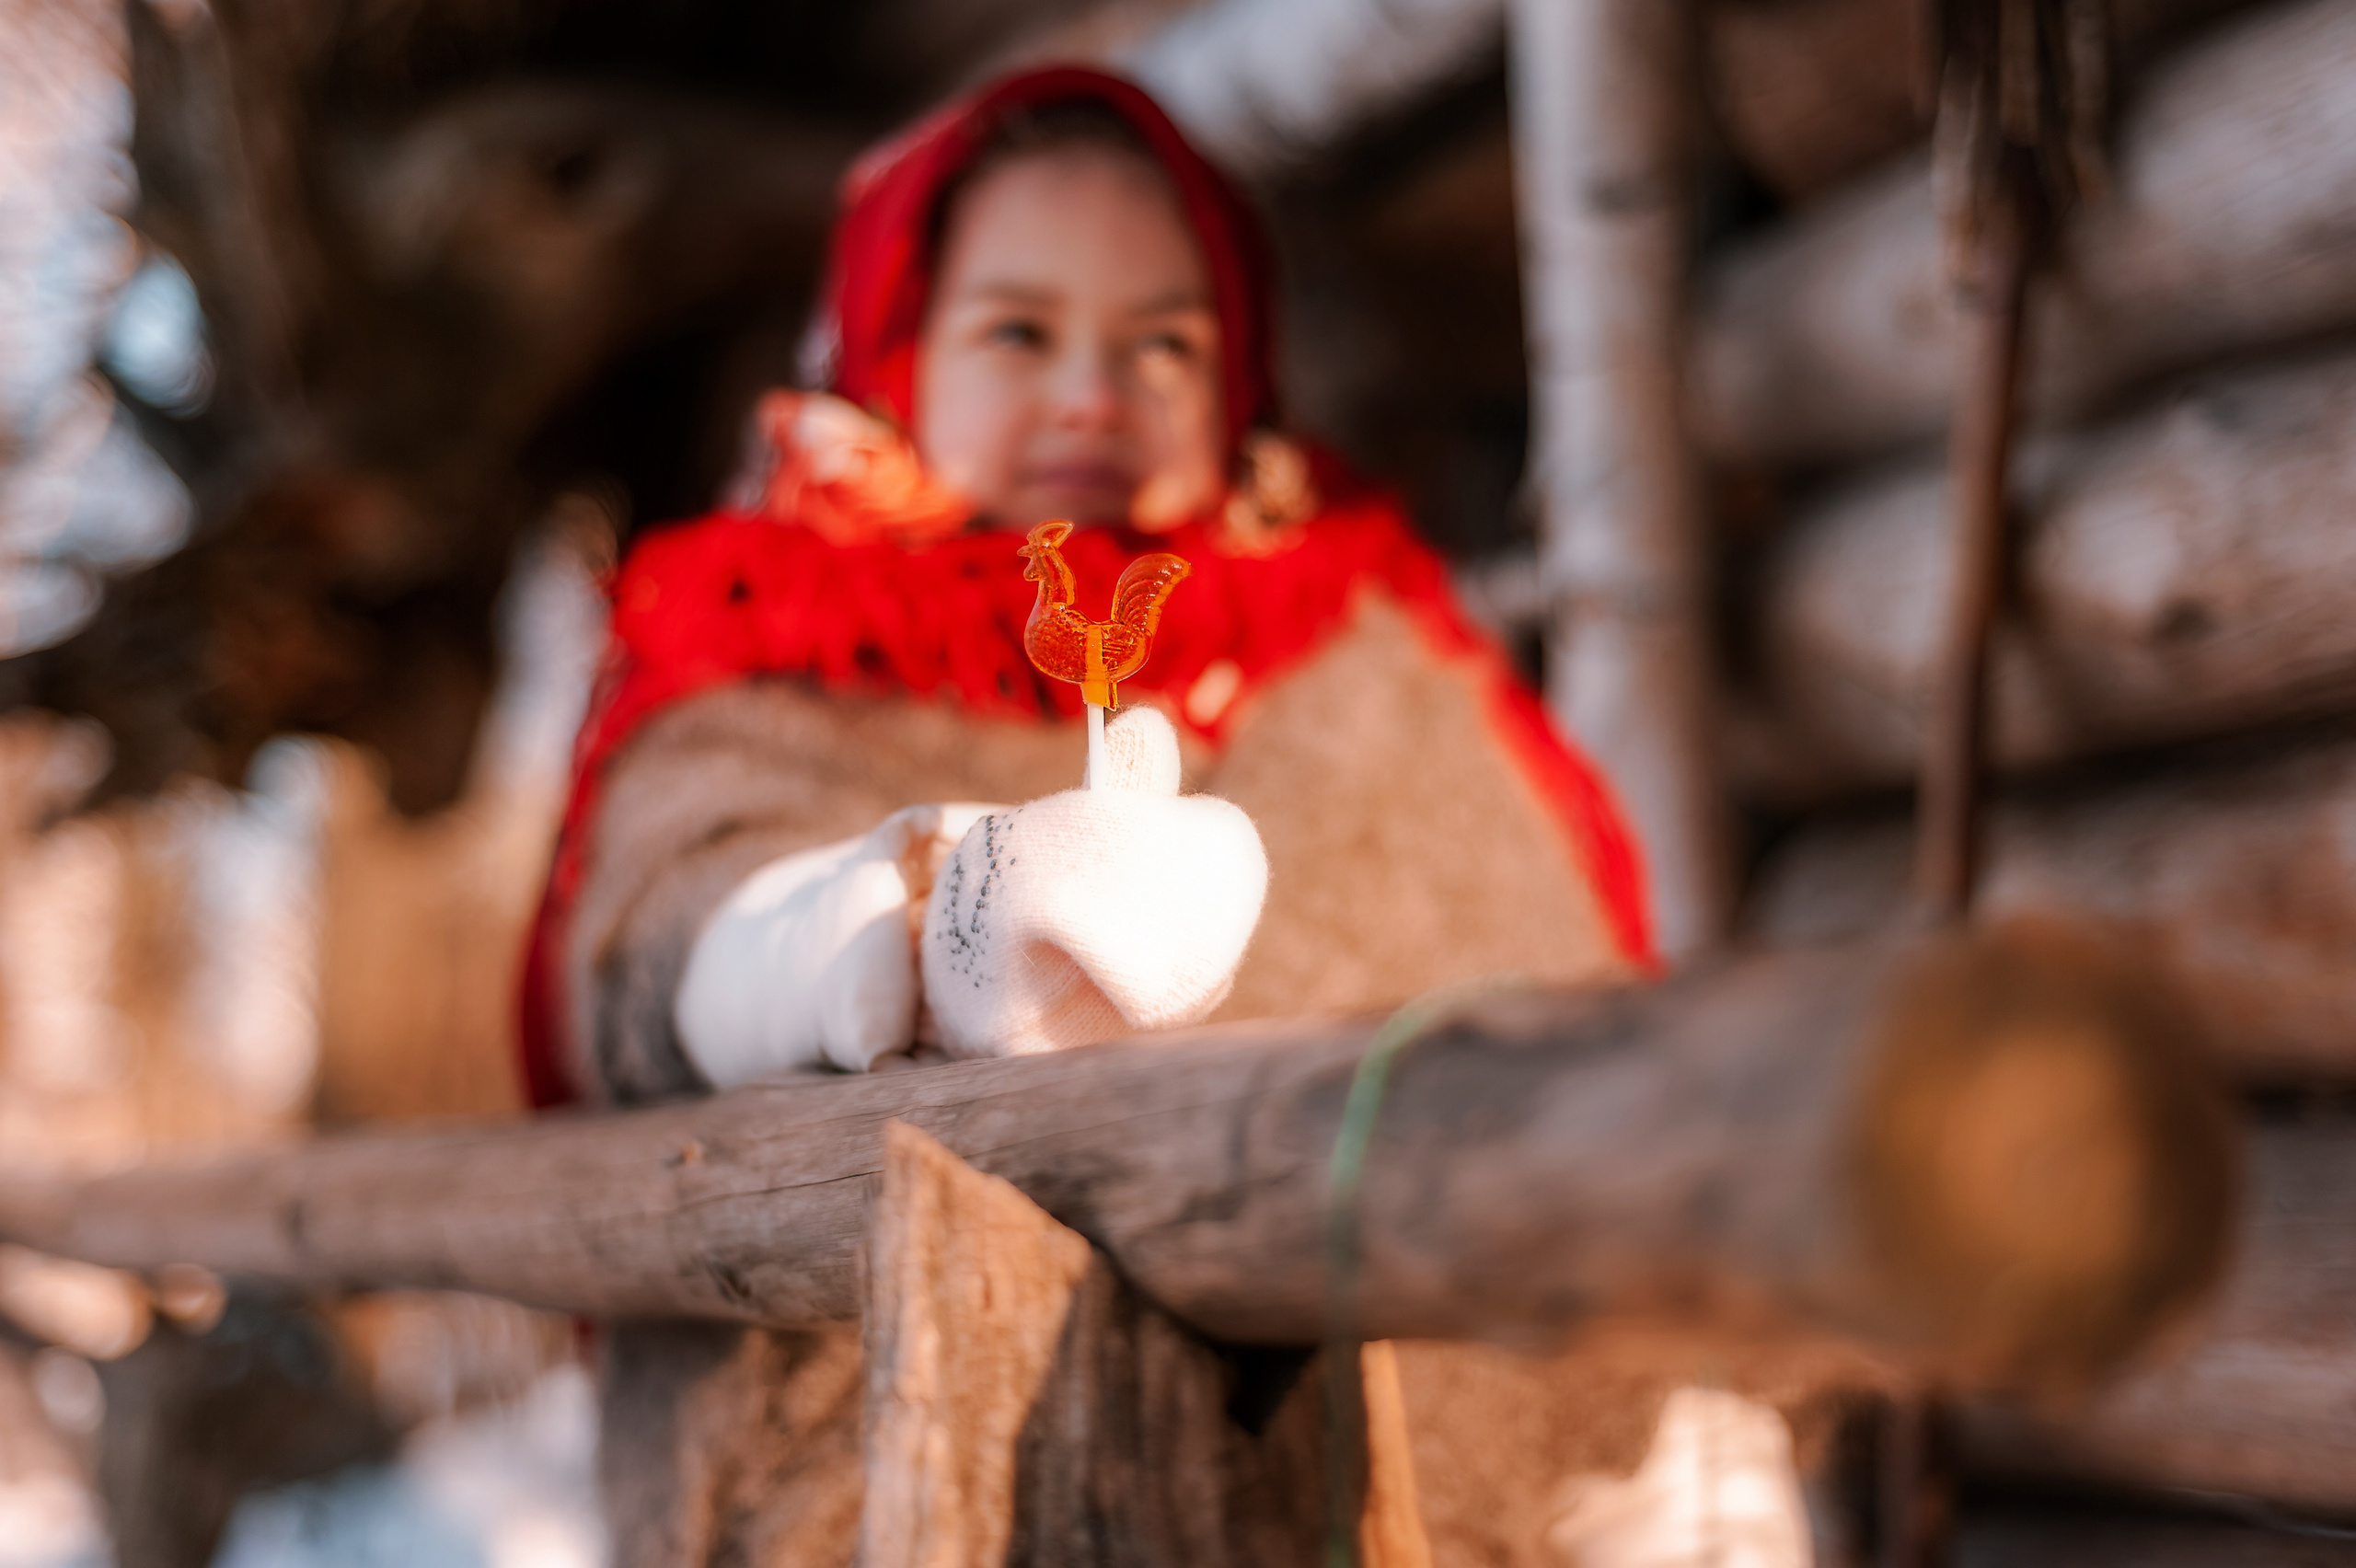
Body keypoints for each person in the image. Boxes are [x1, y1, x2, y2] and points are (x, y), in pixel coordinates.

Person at [516, 64, 1814, 1567]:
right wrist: (901, 924)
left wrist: (1655, 1416)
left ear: (1239, 374)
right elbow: (662, 944)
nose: (1093, 392)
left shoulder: (1368, 641)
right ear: (893, 352)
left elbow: (1553, 980)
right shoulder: (766, 646)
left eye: (1165, 344)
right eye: (1018, 329)